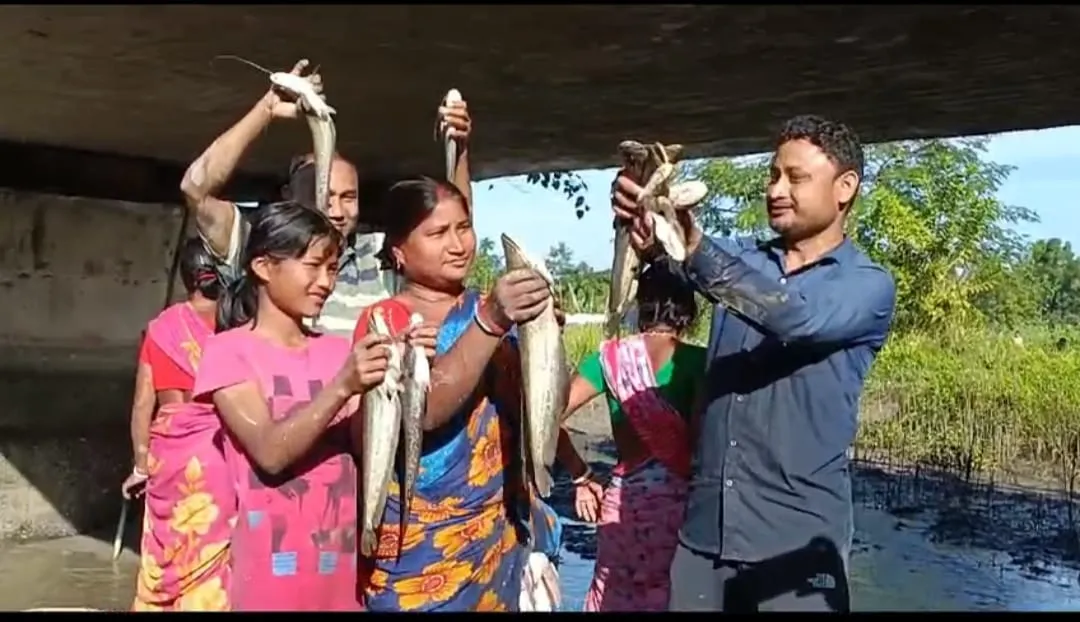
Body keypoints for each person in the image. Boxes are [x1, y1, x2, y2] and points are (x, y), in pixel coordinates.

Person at [610, 115, 897, 612]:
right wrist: (645, 223)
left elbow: (793, 318)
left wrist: (693, 246)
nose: (776, 189)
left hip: (797, 551)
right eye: (773, 175)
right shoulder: (743, 256)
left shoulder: (867, 284)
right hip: (703, 540)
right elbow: (669, 260)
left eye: (796, 177)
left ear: (845, 187)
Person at [351, 176, 563, 612]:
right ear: (399, 251)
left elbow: (541, 413)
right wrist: (490, 322)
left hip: (495, 535)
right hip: (418, 546)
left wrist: (545, 341)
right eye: (437, 233)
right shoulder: (386, 322)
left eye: (463, 227)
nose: (458, 244)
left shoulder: (490, 308)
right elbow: (422, 413)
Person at [190, 201, 393, 611]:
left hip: (342, 577)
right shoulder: (227, 352)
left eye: (332, 268)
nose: (325, 282)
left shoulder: (338, 351)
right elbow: (269, 452)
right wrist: (343, 385)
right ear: (264, 267)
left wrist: (389, 382)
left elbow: (363, 445)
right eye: (313, 266)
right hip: (269, 581)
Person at [179, 59, 474, 336]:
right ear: (288, 197)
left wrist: (458, 148)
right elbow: (195, 189)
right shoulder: (258, 243)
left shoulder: (381, 257)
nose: (335, 210)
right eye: (323, 194)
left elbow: (453, 228)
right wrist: (265, 109)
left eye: (348, 197)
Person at [555, 262, 705, 611]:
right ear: (689, 307)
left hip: (623, 505)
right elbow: (706, 447)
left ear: (641, 304)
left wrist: (581, 475)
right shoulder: (697, 363)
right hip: (680, 511)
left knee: (613, 594)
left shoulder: (608, 360)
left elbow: (548, 418)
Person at [126, 237, 230, 611]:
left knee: (165, 545)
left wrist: (140, 466)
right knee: (213, 547)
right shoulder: (235, 326)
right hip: (219, 449)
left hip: (167, 452)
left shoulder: (159, 327)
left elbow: (142, 405)